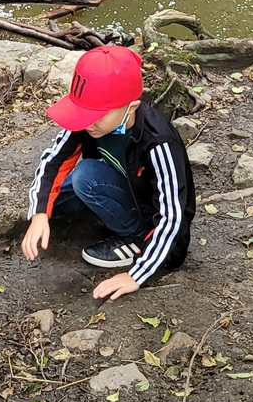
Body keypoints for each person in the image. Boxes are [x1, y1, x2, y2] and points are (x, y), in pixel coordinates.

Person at [21, 45, 195, 301]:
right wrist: (39, 214)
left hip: (150, 215)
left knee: (85, 176)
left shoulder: (159, 143)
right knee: (51, 203)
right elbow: (53, 161)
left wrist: (137, 274)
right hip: (120, 183)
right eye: (83, 114)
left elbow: (174, 216)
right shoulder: (89, 124)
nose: (88, 123)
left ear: (131, 107)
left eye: (96, 116)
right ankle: (91, 210)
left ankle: (134, 237)